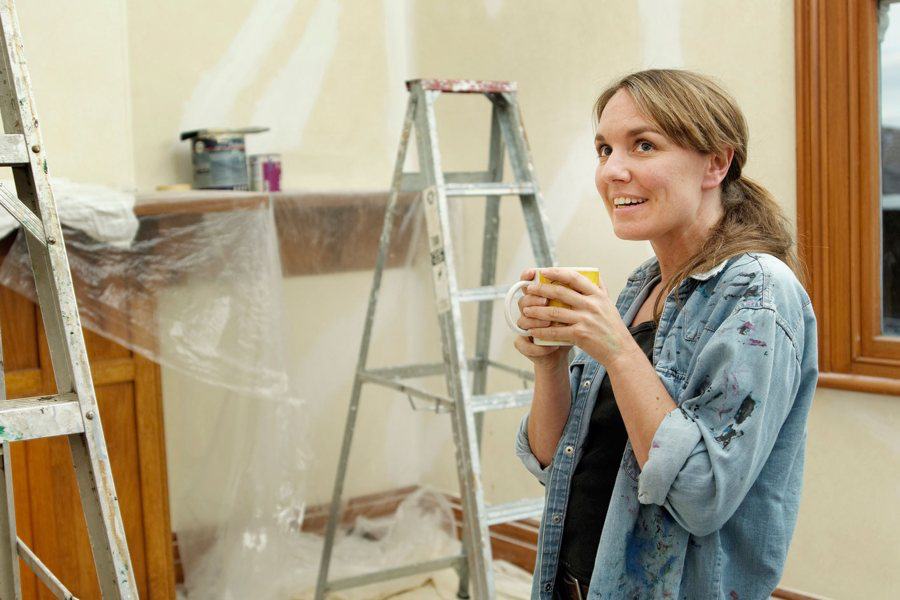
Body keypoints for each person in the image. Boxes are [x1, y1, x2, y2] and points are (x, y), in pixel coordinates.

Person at [513, 69, 818, 599]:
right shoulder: (642, 285)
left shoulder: (759, 295)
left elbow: (700, 497)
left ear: (717, 163)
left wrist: (614, 346)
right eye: (605, 150)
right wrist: (551, 363)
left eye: (644, 145)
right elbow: (554, 461)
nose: (613, 171)